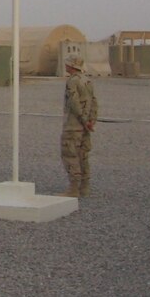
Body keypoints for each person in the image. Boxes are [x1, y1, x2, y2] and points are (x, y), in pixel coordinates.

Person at [60, 56, 97, 198]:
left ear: (71, 66)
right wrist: (91, 120)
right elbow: (94, 101)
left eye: (67, 64)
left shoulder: (73, 81)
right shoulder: (87, 80)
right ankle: (84, 187)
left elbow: (74, 103)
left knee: (70, 154)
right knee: (83, 155)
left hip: (73, 125)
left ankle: (73, 188)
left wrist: (82, 119)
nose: (65, 66)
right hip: (85, 126)